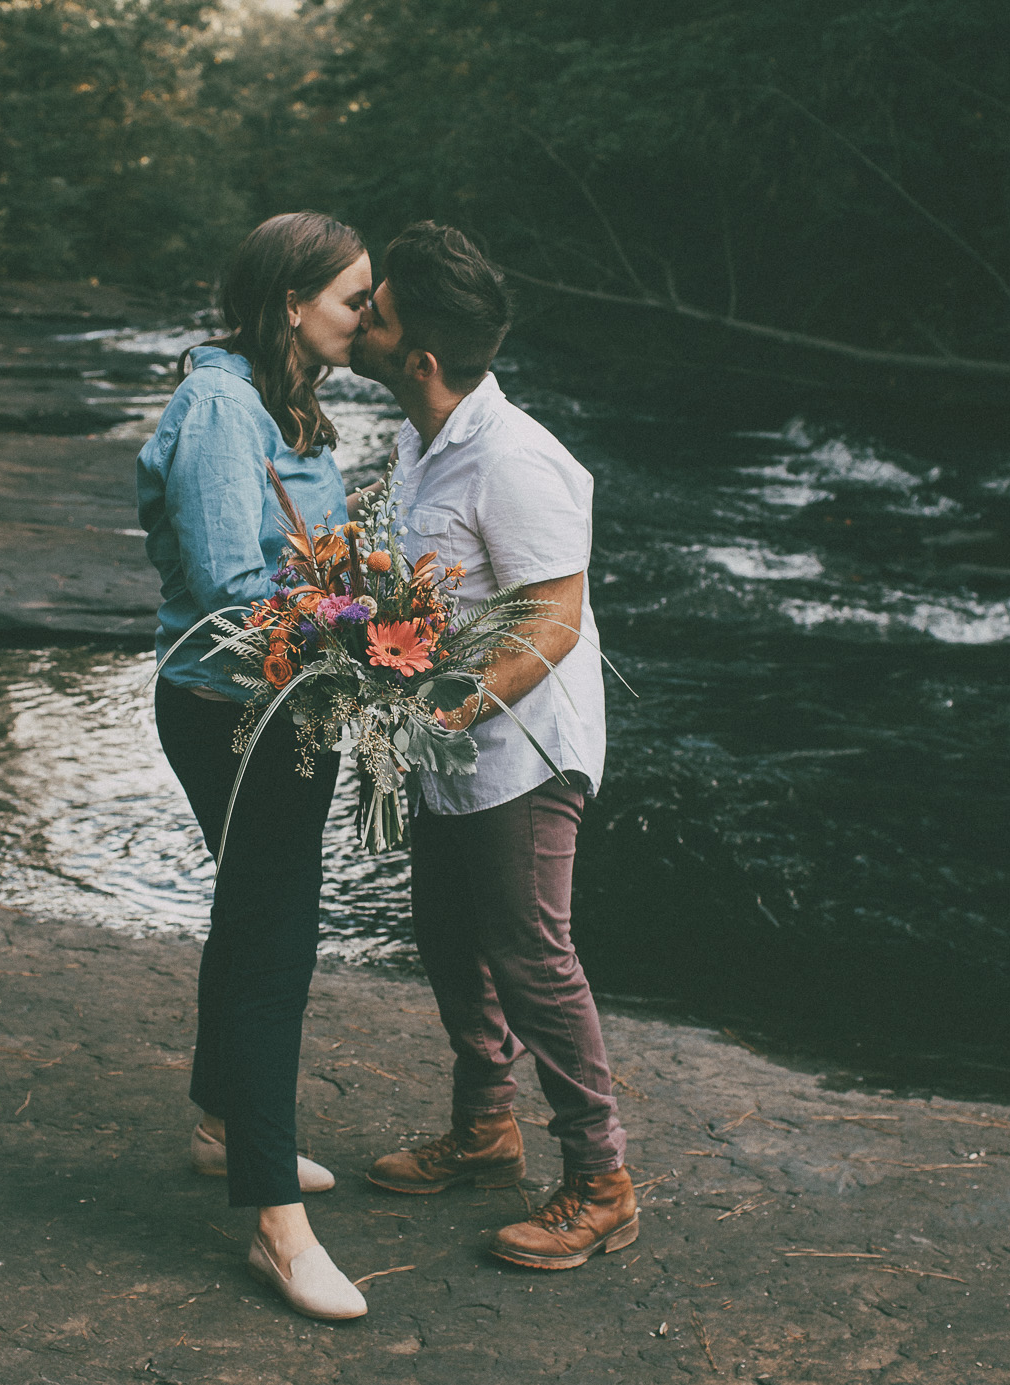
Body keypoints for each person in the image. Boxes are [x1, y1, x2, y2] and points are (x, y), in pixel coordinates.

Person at [348, 222, 635, 1270]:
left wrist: (450, 709)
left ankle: (600, 1180)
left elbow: (552, 624)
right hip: (446, 749)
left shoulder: (519, 461)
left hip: (518, 752)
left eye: (371, 313)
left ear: (416, 358)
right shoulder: (421, 439)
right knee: (444, 935)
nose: (356, 322)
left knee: (529, 957)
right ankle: (484, 1130)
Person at [136, 210, 374, 1320]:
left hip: (288, 698)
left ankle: (222, 1120)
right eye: (352, 300)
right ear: (290, 300)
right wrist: (367, 628)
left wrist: (366, 598)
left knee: (253, 906)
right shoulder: (222, 408)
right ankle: (275, 1221)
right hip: (232, 707)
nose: (367, 318)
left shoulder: (280, 399)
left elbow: (306, 562)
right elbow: (235, 587)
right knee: (278, 933)